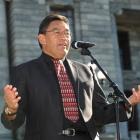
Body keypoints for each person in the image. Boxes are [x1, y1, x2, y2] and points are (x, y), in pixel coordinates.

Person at [1, 14, 140, 140]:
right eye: (57, 32)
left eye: (67, 33)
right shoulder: (25, 72)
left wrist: (130, 102)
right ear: (42, 39)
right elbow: (13, 122)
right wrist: (11, 109)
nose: (64, 37)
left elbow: (100, 114)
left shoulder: (86, 71)